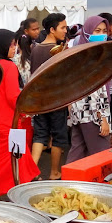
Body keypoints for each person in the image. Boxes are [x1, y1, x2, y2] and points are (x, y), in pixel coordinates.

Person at [0, 29, 39, 195]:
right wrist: (30, 106)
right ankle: (15, 194)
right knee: (17, 161)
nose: (15, 48)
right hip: (8, 123)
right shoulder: (8, 66)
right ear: (0, 46)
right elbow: (13, 96)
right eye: (11, 44)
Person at [67, 16, 112, 162]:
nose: (102, 34)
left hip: (79, 113)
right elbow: (94, 92)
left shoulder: (78, 54)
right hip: (93, 114)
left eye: (104, 30)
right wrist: (102, 118)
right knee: (101, 157)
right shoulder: (93, 57)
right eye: (97, 30)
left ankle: (68, 182)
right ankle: (100, 185)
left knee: (77, 152)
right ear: (86, 32)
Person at [30, 13, 69, 180]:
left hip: (39, 98)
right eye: (63, 27)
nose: (65, 31)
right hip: (56, 99)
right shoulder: (58, 50)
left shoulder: (36, 48)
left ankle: (31, 172)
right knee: (59, 136)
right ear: (52, 30)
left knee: (40, 134)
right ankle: (54, 172)